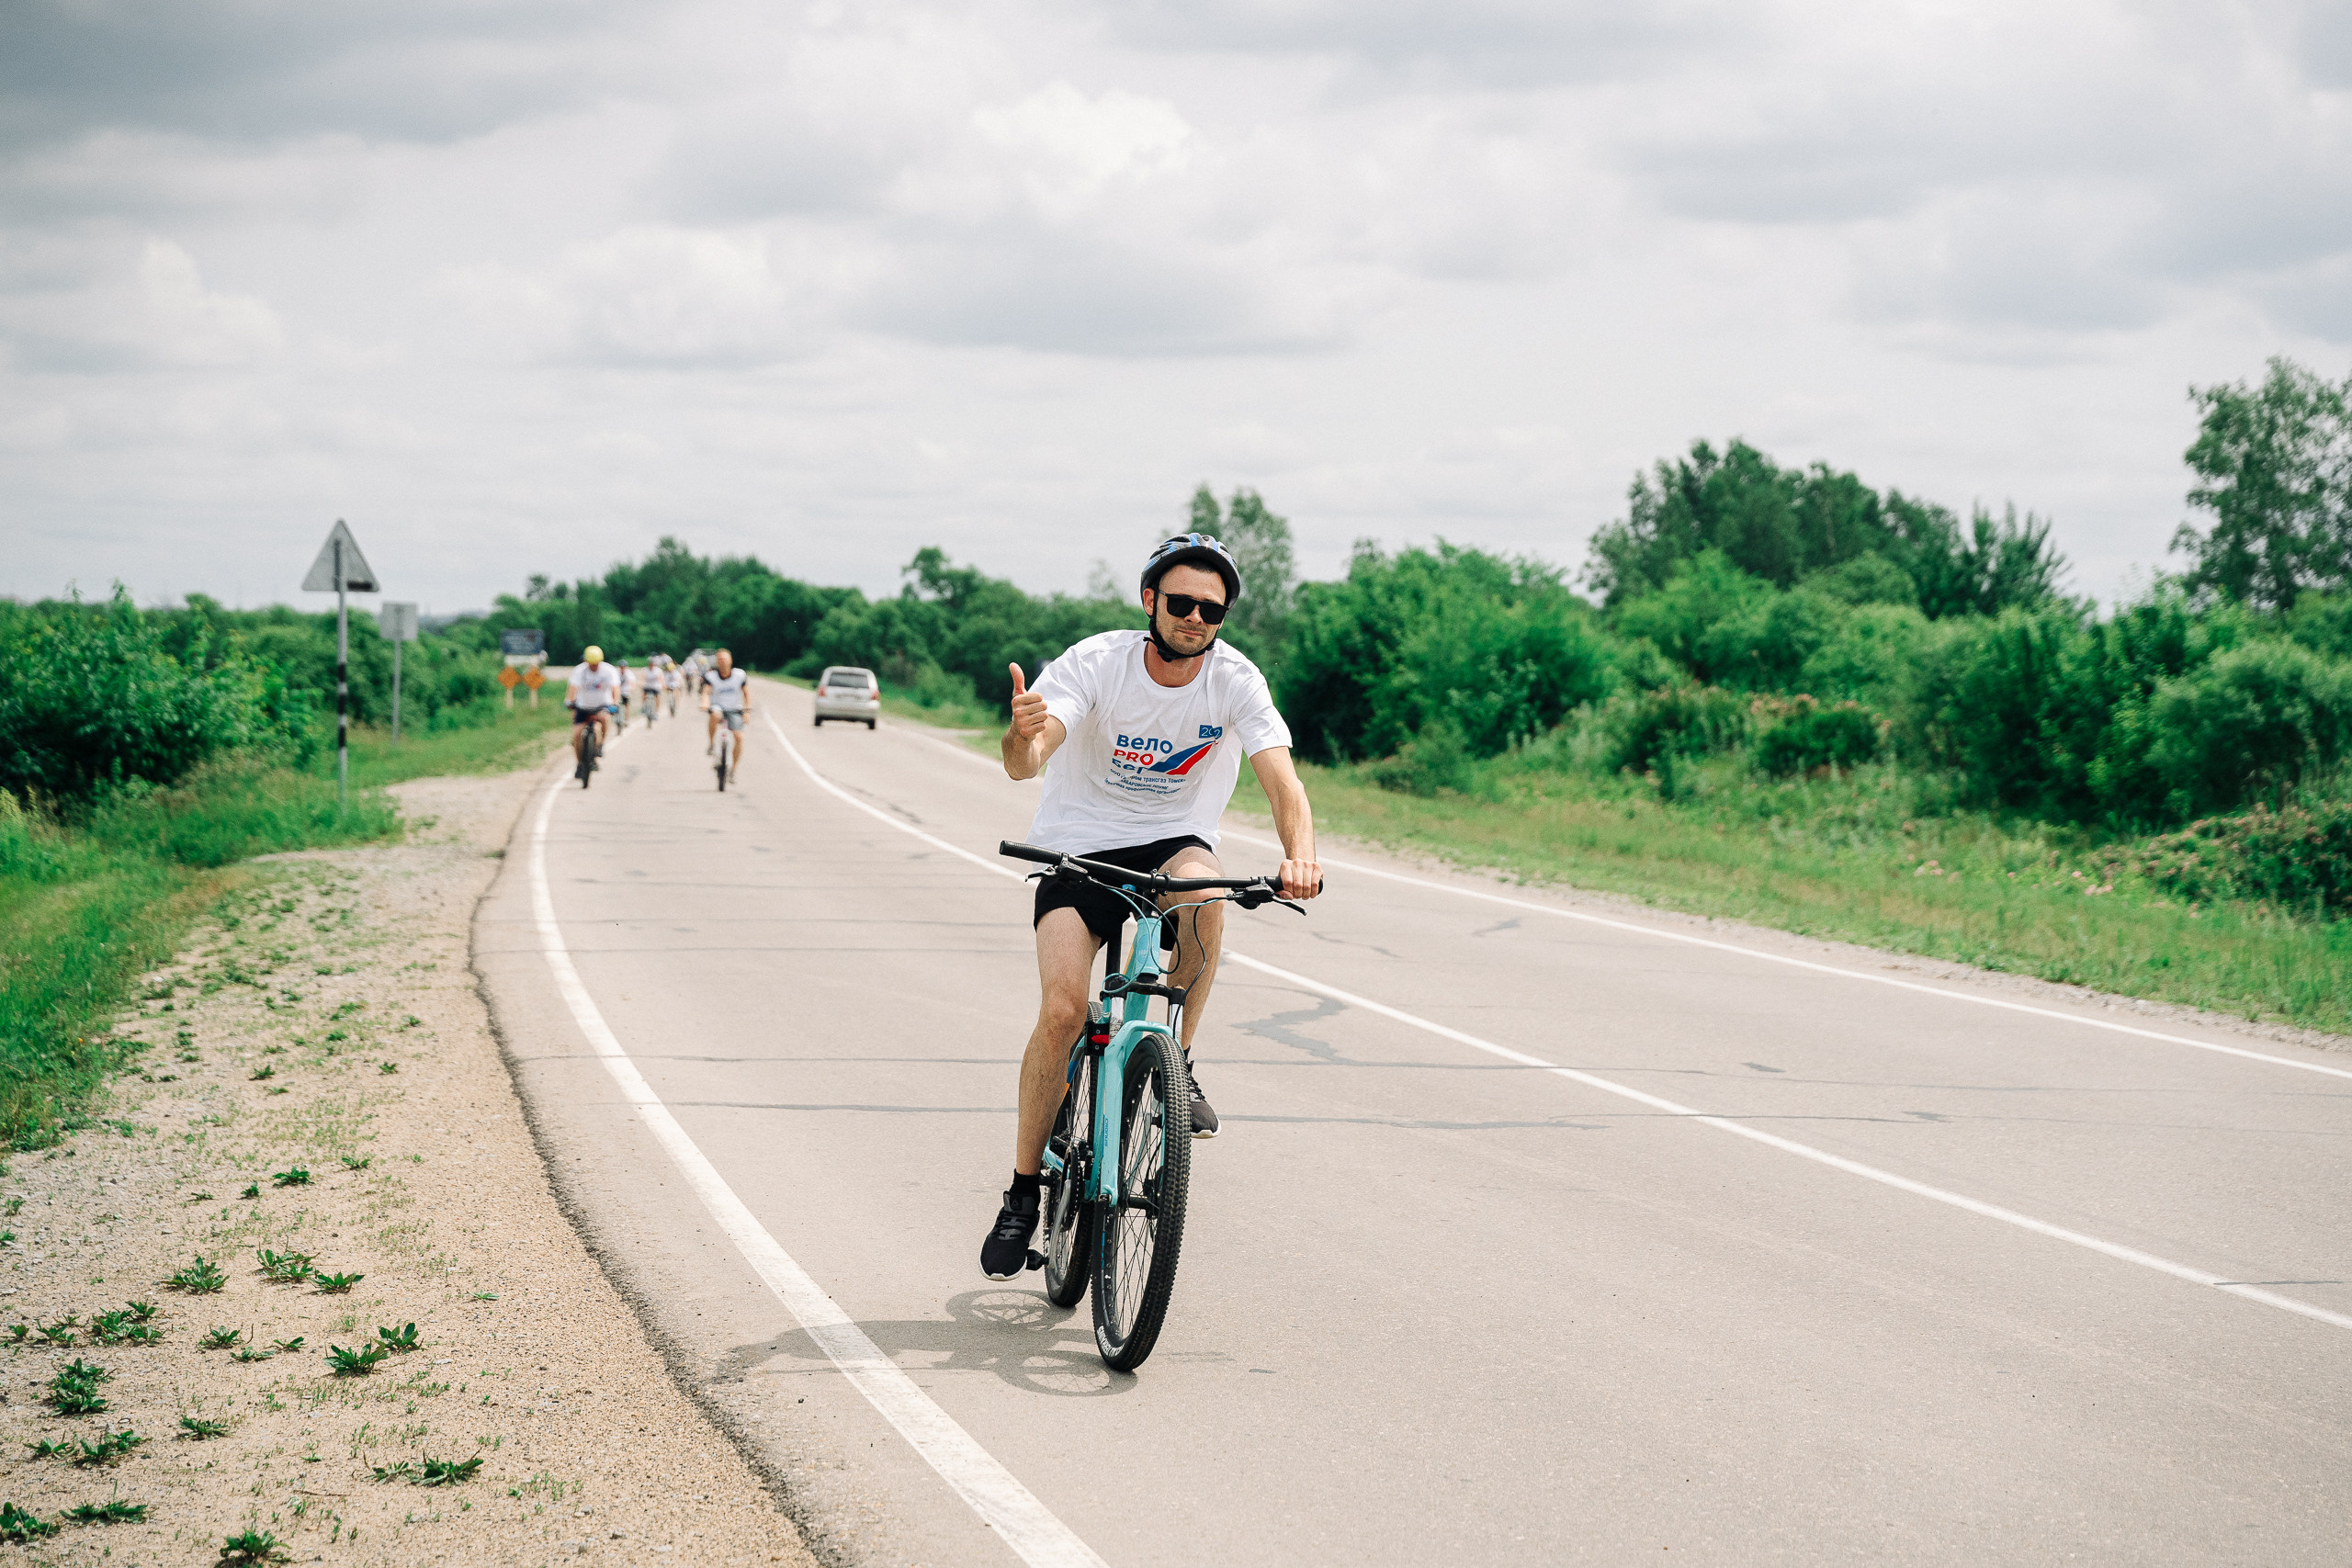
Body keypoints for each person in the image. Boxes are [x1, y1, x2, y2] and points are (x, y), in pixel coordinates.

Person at [978, 534, 1321, 1280]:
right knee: (1065, 1012)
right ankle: (1022, 1190)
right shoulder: (1098, 663)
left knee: (1206, 892)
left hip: (1173, 844)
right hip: (1076, 848)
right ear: (1150, 602)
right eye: (1182, 602)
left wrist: (1301, 854)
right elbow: (1025, 763)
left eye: (1212, 607)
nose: (1196, 616)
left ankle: (1180, 1060)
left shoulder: (1235, 679)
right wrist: (1020, 735)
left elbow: (1283, 781)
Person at [565, 646, 623, 766]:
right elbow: (572, 687)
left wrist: (615, 703)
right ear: (587, 662)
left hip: (602, 705)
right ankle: (579, 764)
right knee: (576, 735)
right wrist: (569, 701)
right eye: (591, 664)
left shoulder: (609, 671)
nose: (593, 666)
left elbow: (615, 688)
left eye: (596, 663)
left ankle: (600, 744)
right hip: (583, 706)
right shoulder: (579, 671)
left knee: (604, 719)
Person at [700, 648, 752, 780]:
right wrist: (705, 703)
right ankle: (711, 743)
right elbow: (706, 692)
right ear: (717, 662)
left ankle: (733, 769)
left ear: (731, 661)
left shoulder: (739, 675)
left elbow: (746, 694)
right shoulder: (711, 676)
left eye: (725, 659)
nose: (722, 662)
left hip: (735, 708)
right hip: (718, 707)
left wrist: (747, 711)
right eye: (720, 659)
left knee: (739, 737)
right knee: (715, 715)